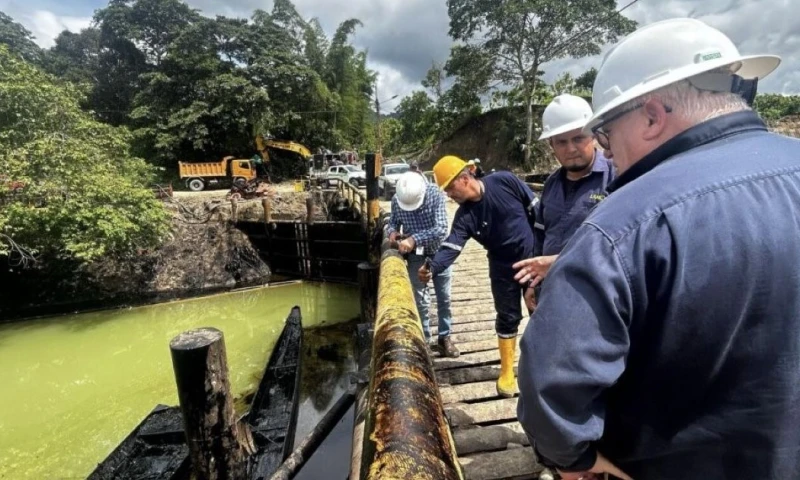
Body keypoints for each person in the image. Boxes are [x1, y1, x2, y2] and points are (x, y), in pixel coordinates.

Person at [516, 17, 794, 480]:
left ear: (651, 115)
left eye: (603, 136)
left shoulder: (623, 225)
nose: (606, 154)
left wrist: (575, 456)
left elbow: (550, 384)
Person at [420, 155, 537, 397]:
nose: (450, 195)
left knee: (541, 310)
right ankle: (507, 371)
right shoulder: (465, 216)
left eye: (451, 188)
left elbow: (536, 209)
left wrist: (545, 251)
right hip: (502, 267)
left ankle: (541, 365)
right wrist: (432, 267)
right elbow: (452, 246)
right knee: (507, 316)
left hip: (533, 259)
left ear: (465, 178)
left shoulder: (504, 181)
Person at [513, 94, 614, 310]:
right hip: (552, 291)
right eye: (561, 142)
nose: (570, 149)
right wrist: (533, 282)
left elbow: (621, 243)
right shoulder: (552, 184)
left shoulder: (614, 177)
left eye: (578, 138)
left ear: (593, 136)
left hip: (595, 295)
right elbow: (540, 235)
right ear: (551, 144)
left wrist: (557, 262)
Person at [387, 171, 459, 357]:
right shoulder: (397, 199)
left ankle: (445, 337)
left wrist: (414, 239)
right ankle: (425, 340)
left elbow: (441, 228)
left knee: (444, 298)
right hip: (415, 257)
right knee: (420, 301)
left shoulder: (435, 194)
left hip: (439, 253)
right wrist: (392, 232)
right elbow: (393, 222)